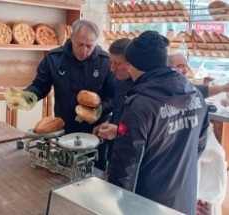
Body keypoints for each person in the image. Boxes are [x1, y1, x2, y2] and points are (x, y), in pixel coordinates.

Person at [108, 30, 209, 215]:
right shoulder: (196, 95)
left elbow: (124, 168)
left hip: (147, 204)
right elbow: (198, 148)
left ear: (136, 64)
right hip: (183, 199)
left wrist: (118, 205)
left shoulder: (139, 106)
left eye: (129, 63)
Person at [25, 19, 116, 170]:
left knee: (95, 174)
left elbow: (115, 97)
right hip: (64, 128)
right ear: (71, 37)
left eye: (89, 46)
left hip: (96, 130)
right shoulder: (54, 58)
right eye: (80, 44)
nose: (84, 50)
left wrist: (98, 110)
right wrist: (28, 96)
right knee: (64, 170)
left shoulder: (105, 62)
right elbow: (40, 85)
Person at [169, 53, 227, 215]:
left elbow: (200, 90)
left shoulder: (188, 89)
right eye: (180, 66)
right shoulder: (170, 91)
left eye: (186, 66)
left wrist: (221, 88)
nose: (185, 70)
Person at [93, 38, 132, 172]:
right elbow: (118, 111)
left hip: (130, 162)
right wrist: (109, 122)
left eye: (117, 63)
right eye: (111, 62)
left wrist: (117, 131)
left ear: (131, 63)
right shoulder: (120, 79)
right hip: (114, 153)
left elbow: (142, 132)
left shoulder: (142, 89)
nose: (112, 68)